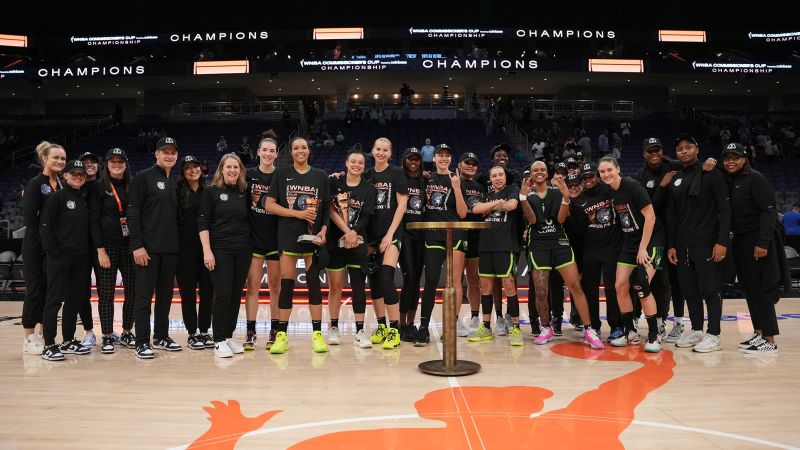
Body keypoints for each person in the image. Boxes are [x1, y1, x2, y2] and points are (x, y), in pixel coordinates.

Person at [519, 161, 604, 349]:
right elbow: (532, 220)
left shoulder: (557, 192)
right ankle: (546, 327)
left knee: (575, 285)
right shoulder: (527, 195)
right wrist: (523, 199)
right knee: (541, 290)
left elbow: (560, 219)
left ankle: (589, 329)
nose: (539, 172)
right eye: (535, 170)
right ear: (531, 174)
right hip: (538, 244)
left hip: (560, 242)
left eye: (542, 169)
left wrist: (566, 197)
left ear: (547, 173)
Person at [667, 134, 731, 353]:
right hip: (683, 244)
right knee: (690, 290)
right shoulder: (677, 177)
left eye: (688, 147)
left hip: (706, 242)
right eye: (680, 149)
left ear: (697, 149)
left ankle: (714, 334)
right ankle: (696, 329)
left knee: (710, 289)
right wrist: (672, 244)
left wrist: (722, 241)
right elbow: (673, 214)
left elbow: (725, 209)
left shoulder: (711, 173)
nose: (684, 151)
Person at [265, 137, 330, 354]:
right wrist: (297, 213)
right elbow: (269, 205)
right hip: (287, 236)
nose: (300, 151)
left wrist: (323, 230)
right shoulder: (281, 174)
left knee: (313, 284)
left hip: (313, 238)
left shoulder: (320, 176)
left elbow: (327, 208)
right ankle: (282, 336)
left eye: (303, 147)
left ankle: (317, 335)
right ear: (291, 152)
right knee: (287, 285)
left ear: (309, 150)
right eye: (295, 148)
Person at [597, 157, 664, 352]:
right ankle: (631, 332)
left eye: (609, 169)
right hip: (630, 242)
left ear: (618, 169)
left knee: (641, 283)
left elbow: (650, 217)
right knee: (620, 286)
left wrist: (643, 248)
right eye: (602, 172)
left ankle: (653, 336)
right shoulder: (611, 192)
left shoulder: (633, 186)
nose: (606, 174)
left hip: (653, 241)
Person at [722, 143, 780, 354]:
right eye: (727, 158)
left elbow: (768, 212)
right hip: (740, 240)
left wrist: (763, 243)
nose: (730, 161)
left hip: (757, 240)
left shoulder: (756, 178)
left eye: (735, 157)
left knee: (762, 289)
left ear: (744, 159)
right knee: (749, 289)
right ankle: (758, 332)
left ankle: (770, 339)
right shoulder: (732, 180)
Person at [128, 136, 182, 358]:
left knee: (165, 296)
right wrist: (137, 245)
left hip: (170, 249)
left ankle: (160, 336)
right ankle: (141, 341)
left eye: (173, 152)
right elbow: (133, 213)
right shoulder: (143, 178)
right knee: (143, 297)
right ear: (156, 154)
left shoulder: (173, 181)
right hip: (147, 250)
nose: (169, 155)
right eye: (165, 152)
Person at [198, 154, 251, 358]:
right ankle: (218, 339)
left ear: (240, 170)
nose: (232, 170)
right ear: (221, 169)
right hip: (220, 250)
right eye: (228, 167)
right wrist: (207, 250)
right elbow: (202, 223)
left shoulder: (243, 191)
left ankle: (228, 336)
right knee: (223, 293)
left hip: (243, 249)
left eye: (235, 167)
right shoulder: (211, 192)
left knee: (236, 293)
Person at [39, 160, 92, 360]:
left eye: (82, 174)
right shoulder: (57, 198)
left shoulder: (84, 198)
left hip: (80, 260)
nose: (78, 176)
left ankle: (68, 340)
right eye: (74, 173)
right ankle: (49, 345)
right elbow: (45, 227)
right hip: (60, 258)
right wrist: (54, 253)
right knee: (53, 301)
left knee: (74, 301)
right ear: (65, 176)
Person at [416, 144, 467, 346]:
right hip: (433, 235)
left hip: (455, 234)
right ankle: (423, 327)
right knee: (430, 281)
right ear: (434, 158)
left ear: (451, 159)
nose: (444, 158)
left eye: (447, 155)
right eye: (440, 155)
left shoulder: (457, 180)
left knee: (454, 282)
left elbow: (463, 214)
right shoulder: (426, 179)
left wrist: (456, 187)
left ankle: (451, 326)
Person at [87, 148, 137, 353]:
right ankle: (107, 335)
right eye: (113, 161)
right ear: (106, 164)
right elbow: (93, 221)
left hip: (131, 246)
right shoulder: (98, 187)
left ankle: (126, 332)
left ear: (126, 164)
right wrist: (100, 250)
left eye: (120, 161)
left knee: (133, 292)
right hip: (107, 247)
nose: (117, 164)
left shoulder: (133, 185)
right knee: (106, 294)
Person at [325, 149, 375, 348]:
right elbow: (329, 209)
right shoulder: (334, 182)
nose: (356, 165)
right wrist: (347, 231)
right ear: (346, 163)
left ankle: (360, 331)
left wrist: (354, 234)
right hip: (335, 243)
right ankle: (334, 328)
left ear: (364, 166)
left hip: (357, 243)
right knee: (335, 287)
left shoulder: (368, 189)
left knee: (358, 287)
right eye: (353, 161)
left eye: (360, 162)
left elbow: (366, 217)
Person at [468, 166, 521, 345]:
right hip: (486, 246)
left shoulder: (512, 189)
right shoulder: (486, 193)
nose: (498, 178)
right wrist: (497, 203)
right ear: (490, 179)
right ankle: (486, 326)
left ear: (505, 176)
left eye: (500, 175)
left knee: (509, 285)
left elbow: (513, 205)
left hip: (505, 246)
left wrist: (490, 207)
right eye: (494, 176)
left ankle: (515, 328)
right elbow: (476, 209)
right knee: (485, 287)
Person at [21, 141, 66, 355]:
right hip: (36, 245)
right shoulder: (35, 184)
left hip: (55, 247)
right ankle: (29, 337)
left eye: (63, 158)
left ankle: (42, 332)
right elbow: (30, 218)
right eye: (55, 157)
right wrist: (45, 241)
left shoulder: (63, 185)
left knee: (51, 290)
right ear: (44, 159)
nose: (59, 161)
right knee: (35, 290)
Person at [363, 137, 407, 349]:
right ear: (373, 151)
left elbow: (402, 205)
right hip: (369, 236)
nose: (381, 153)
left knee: (387, 278)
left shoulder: (397, 173)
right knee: (374, 283)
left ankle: (394, 330)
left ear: (390, 153)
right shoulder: (366, 175)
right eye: (378, 149)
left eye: (385, 150)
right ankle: (381, 326)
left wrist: (390, 234)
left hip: (391, 235)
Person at [572, 163, 622, 340]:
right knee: (590, 291)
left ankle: (616, 326)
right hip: (590, 251)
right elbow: (578, 233)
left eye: (591, 176)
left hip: (612, 249)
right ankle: (594, 326)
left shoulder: (610, 191)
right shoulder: (580, 201)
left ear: (597, 176)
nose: (589, 180)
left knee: (611, 289)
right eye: (585, 178)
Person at [244, 135, 281, 351]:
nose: (267, 154)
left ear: (276, 154)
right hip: (254, 239)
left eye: (271, 151)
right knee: (253, 287)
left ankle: (274, 329)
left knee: (275, 287)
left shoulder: (282, 176)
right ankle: (251, 330)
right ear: (258, 152)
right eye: (264, 150)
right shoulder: (248, 175)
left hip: (276, 240)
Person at [175, 155, 214, 350]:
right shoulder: (177, 191)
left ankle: (205, 331)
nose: (193, 170)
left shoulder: (210, 191)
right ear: (183, 172)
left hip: (207, 249)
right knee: (188, 294)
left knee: (208, 292)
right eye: (188, 168)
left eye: (196, 166)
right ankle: (192, 333)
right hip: (184, 250)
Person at [457, 152, 487, 336]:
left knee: (474, 281)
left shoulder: (480, 187)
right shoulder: (453, 182)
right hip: (458, 234)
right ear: (459, 164)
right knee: (456, 281)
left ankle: (475, 317)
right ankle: (454, 319)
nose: (470, 166)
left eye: (474, 164)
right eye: (467, 163)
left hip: (476, 236)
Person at [398, 148, 426, 341]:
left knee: (416, 280)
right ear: (404, 160)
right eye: (410, 158)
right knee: (408, 278)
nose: (413, 161)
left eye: (416, 158)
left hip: (422, 235)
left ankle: (410, 322)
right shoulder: (399, 179)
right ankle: (401, 324)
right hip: (405, 234)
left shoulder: (425, 180)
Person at [77, 151, 100, 348]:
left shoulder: (105, 185)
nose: (89, 164)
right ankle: (89, 332)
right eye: (86, 162)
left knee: (106, 292)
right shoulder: (75, 188)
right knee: (83, 292)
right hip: (81, 247)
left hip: (102, 245)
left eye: (93, 161)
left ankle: (109, 332)